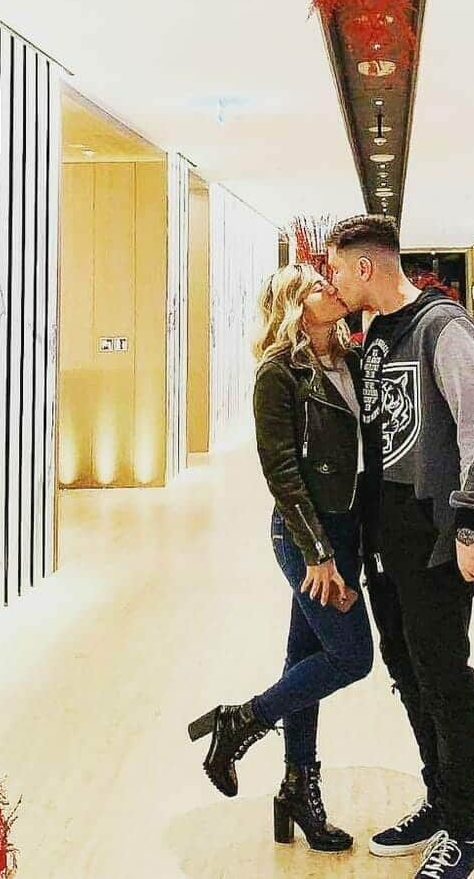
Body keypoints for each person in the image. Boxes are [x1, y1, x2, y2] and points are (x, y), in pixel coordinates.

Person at [326, 215, 474, 879]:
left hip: (436, 539)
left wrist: (471, 524)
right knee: (407, 673)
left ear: (365, 266)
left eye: (337, 269)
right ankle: (439, 797)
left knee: (444, 677)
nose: (334, 281)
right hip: (385, 542)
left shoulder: (442, 326)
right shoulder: (376, 332)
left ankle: (464, 831)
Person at [188, 264, 373, 852]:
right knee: (352, 656)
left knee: (306, 660)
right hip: (306, 536)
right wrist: (317, 552)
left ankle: (297, 789)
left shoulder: (350, 358)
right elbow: (283, 472)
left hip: (347, 529)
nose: (331, 288)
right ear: (294, 304)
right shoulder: (279, 373)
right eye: (317, 286)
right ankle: (242, 720)